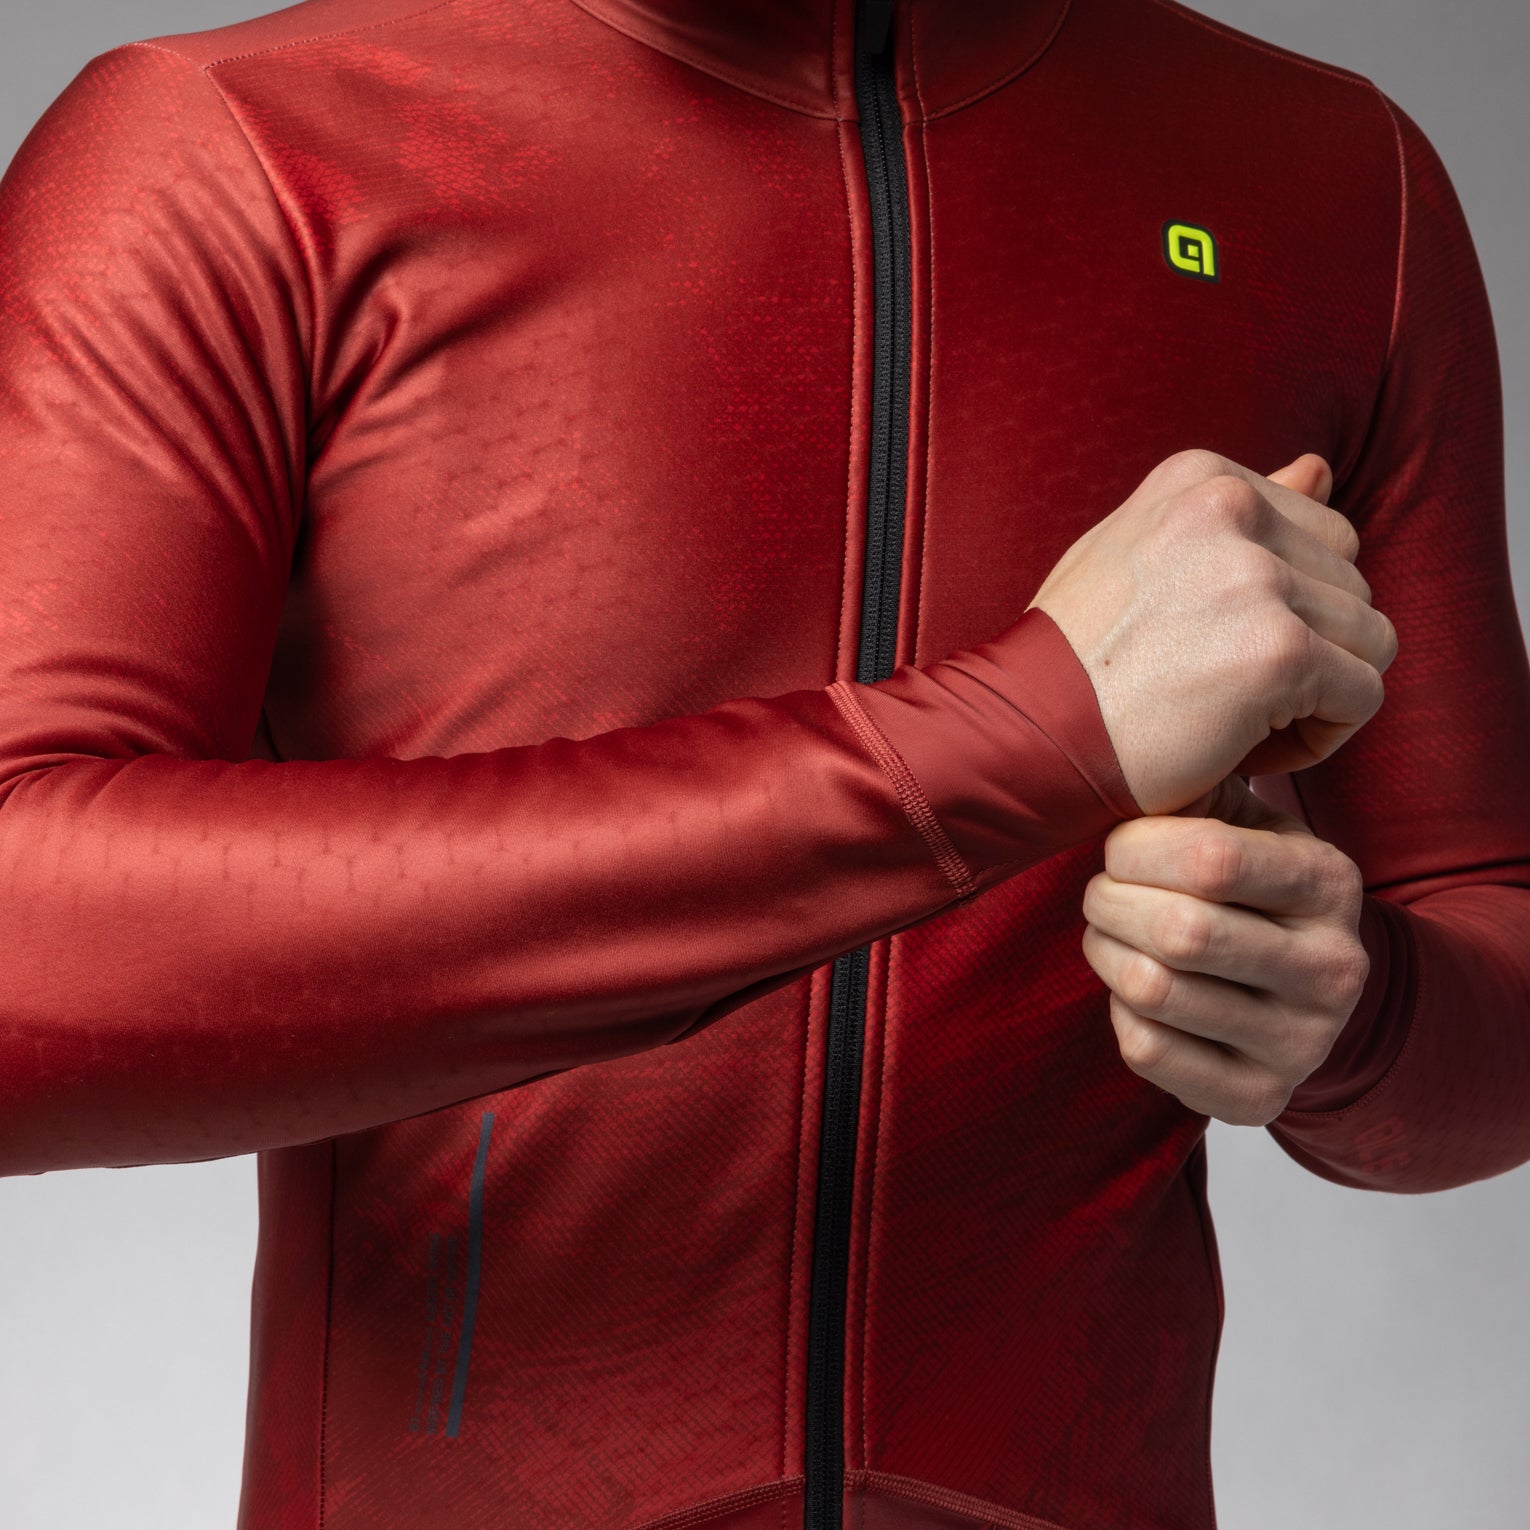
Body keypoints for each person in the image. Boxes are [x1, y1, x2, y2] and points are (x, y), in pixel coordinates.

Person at [1, 0, 1526, 1526]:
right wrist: (1021, 728)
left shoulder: (1332, 182)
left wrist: (1342, 1010)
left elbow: (1496, 961)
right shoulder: (244, 143)